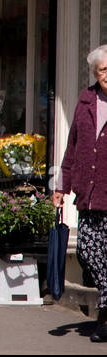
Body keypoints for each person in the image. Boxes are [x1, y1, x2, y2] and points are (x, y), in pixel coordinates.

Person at [54, 44, 107, 341]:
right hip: (88, 193)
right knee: (87, 251)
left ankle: (105, 315)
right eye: (103, 70)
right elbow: (72, 146)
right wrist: (61, 186)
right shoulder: (86, 100)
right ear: (95, 73)